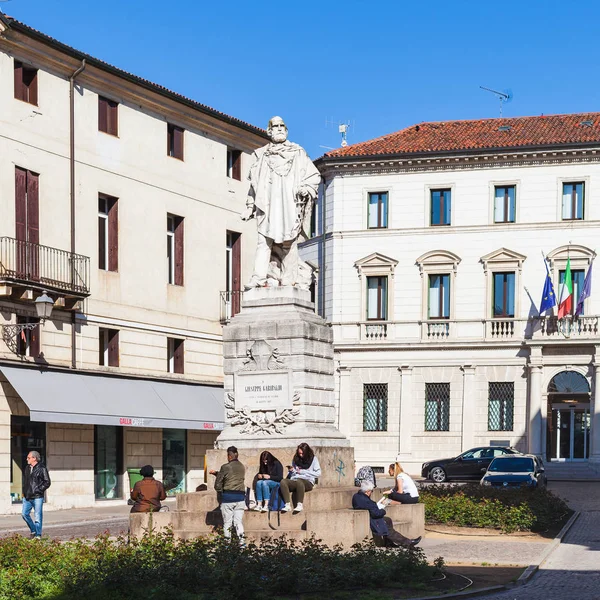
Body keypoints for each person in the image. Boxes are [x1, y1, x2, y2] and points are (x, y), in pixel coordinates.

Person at [241, 116, 321, 290]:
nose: (278, 129)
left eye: (281, 126)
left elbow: (314, 176)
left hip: (289, 204)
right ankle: (258, 277)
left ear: (286, 130)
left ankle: (288, 279)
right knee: (263, 242)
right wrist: (249, 207)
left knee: (288, 243)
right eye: (274, 126)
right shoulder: (261, 155)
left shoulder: (297, 152)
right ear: (269, 131)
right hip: (267, 205)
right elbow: (253, 185)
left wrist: (306, 188)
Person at [352, 480, 421, 548]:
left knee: (388, 520)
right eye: (371, 491)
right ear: (367, 492)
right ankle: (408, 542)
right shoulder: (367, 501)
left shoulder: (356, 496)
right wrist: (383, 511)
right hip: (373, 520)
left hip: (369, 517)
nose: (371, 493)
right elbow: (376, 514)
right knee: (388, 529)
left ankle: (388, 542)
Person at [211, 446, 246, 541]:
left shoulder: (225, 467)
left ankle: (227, 545)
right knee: (238, 522)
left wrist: (220, 492)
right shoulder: (242, 466)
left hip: (228, 498)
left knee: (227, 523)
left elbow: (218, 484)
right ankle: (242, 543)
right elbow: (232, 476)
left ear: (229, 456)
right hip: (241, 497)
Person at [280, 442, 321, 513]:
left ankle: (299, 504)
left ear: (307, 452)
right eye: (299, 453)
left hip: (307, 481)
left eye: (302, 453)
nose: (301, 455)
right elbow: (295, 472)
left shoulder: (313, 459)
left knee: (300, 481)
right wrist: (292, 471)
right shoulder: (296, 459)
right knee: (283, 481)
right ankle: (287, 504)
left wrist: (303, 472)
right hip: (295, 479)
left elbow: (318, 473)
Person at [22, 451, 51, 539]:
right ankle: (34, 530)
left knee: (38, 516)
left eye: (29, 458)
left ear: (34, 458)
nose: (27, 459)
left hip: (37, 497)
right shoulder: (27, 468)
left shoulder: (42, 468)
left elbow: (47, 482)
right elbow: (26, 482)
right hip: (27, 496)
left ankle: (38, 535)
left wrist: (38, 490)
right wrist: (24, 491)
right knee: (24, 514)